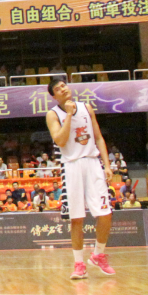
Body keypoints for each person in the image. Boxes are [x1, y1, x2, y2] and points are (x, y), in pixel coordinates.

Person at [45, 78, 116, 280]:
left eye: (64, 85)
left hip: (93, 163)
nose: (63, 89)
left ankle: (98, 254)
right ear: (54, 96)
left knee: (105, 213)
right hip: (72, 166)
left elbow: (99, 137)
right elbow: (59, 139)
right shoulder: (53, 114)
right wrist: (68, 114)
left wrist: (107, 165)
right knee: (77, 218)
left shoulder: (86, 107)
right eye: (58, 88)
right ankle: (79, 264)